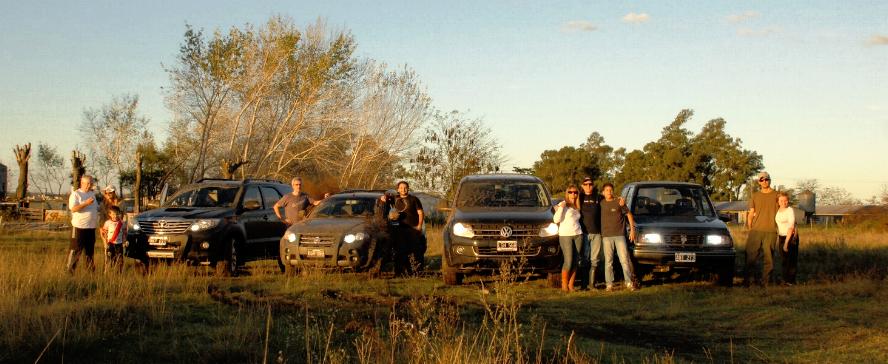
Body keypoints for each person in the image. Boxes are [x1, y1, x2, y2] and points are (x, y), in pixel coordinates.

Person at [379, 181, 424, 276]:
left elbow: (420, 213)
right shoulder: (394, 199)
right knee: (399, 251)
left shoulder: (414, 199)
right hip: (398, 229)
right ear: (398, 189)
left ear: (408, 188)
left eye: (405, 187)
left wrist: (419, 226)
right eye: (401, 187)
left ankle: (415, 271)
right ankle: (399, 272)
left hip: (413, 229)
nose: (403, 189)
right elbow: (384, 199)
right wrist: (382, 198)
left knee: (414, 251)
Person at [743, 171, 779, 287]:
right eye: (761, 180)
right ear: (759, 182)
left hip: (771, 231)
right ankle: (748, 282)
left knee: (769, 258)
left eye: (766, 179)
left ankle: (766, 282)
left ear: (770, 180)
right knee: (750, 256)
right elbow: (751, 212)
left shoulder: (777, 195)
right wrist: (750, 227)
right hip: (756, 231)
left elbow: (784, 210)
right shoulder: (755, 196)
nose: (764, 182)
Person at [600, 182, 637, 292]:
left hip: (620, 235)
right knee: (608, 261)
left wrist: (632, 231)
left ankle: (629, 282)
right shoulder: (601, 203)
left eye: (610, 190)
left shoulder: (619, 202)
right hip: (606, 236)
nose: (609, 192)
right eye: (606, 190)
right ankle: (609, 284)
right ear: (603, 192)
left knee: (624, 260)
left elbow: (629, 215)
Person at [67, 175, 100, 274]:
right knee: (76, 251)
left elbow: (96, 208)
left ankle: (90, 273)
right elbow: (73, 209)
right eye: (88, 183)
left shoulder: (92, 194)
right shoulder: (76, 194)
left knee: (89, 252)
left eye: (91, 183)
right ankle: (70, 272)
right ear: (82, 183)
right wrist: (86, 203)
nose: (89, 185)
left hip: (91, 228)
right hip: (79, 228)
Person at [554, 184, 583, 292]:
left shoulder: (577, 206)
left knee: (576, 261)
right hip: (565, 235)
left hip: (578, 234)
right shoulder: (563, 205)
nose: (573, 194)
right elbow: (556, 220)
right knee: (568, 261)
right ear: (567, 194)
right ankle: (564, 284)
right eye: (570, 192)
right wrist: (561, 207)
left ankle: (571, 285)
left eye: (575, 192)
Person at [578, 177, 603, 289]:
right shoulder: (579, 197)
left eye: (590, 184)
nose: (588, 186)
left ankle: (592, 284)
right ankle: (583, 285)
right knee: (584, 259)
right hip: (584, 233)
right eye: (586, 184)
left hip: (597, 233)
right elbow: (568, 202)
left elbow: (610, 201)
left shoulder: (598, 197)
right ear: (582, 186)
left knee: (595, 259)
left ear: (593, 185)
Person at [775, 191, 799, 285]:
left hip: (790, 237)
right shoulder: (777, 211)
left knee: (791, 260)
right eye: (781, 200)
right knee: (784, 260)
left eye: (786, 200)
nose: (784, 202)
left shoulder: (790, 210)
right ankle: (785, 279)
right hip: (781, 236)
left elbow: (791, 227)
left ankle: (791, 281)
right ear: (778, 201)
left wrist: (786, 243)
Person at [100, 205, 126, 273]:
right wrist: (105, 243)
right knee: (109, 259)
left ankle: (119, 273)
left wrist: (124, 242)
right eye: (113, 214)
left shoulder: (122, 223)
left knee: (119, 259)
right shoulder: (107, 223)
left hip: (119, 244)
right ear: (110, 214)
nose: (115, 216)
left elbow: (124, 233)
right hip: (110, 244)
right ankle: (107, 272)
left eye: (117, 214)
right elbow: (104, 234)